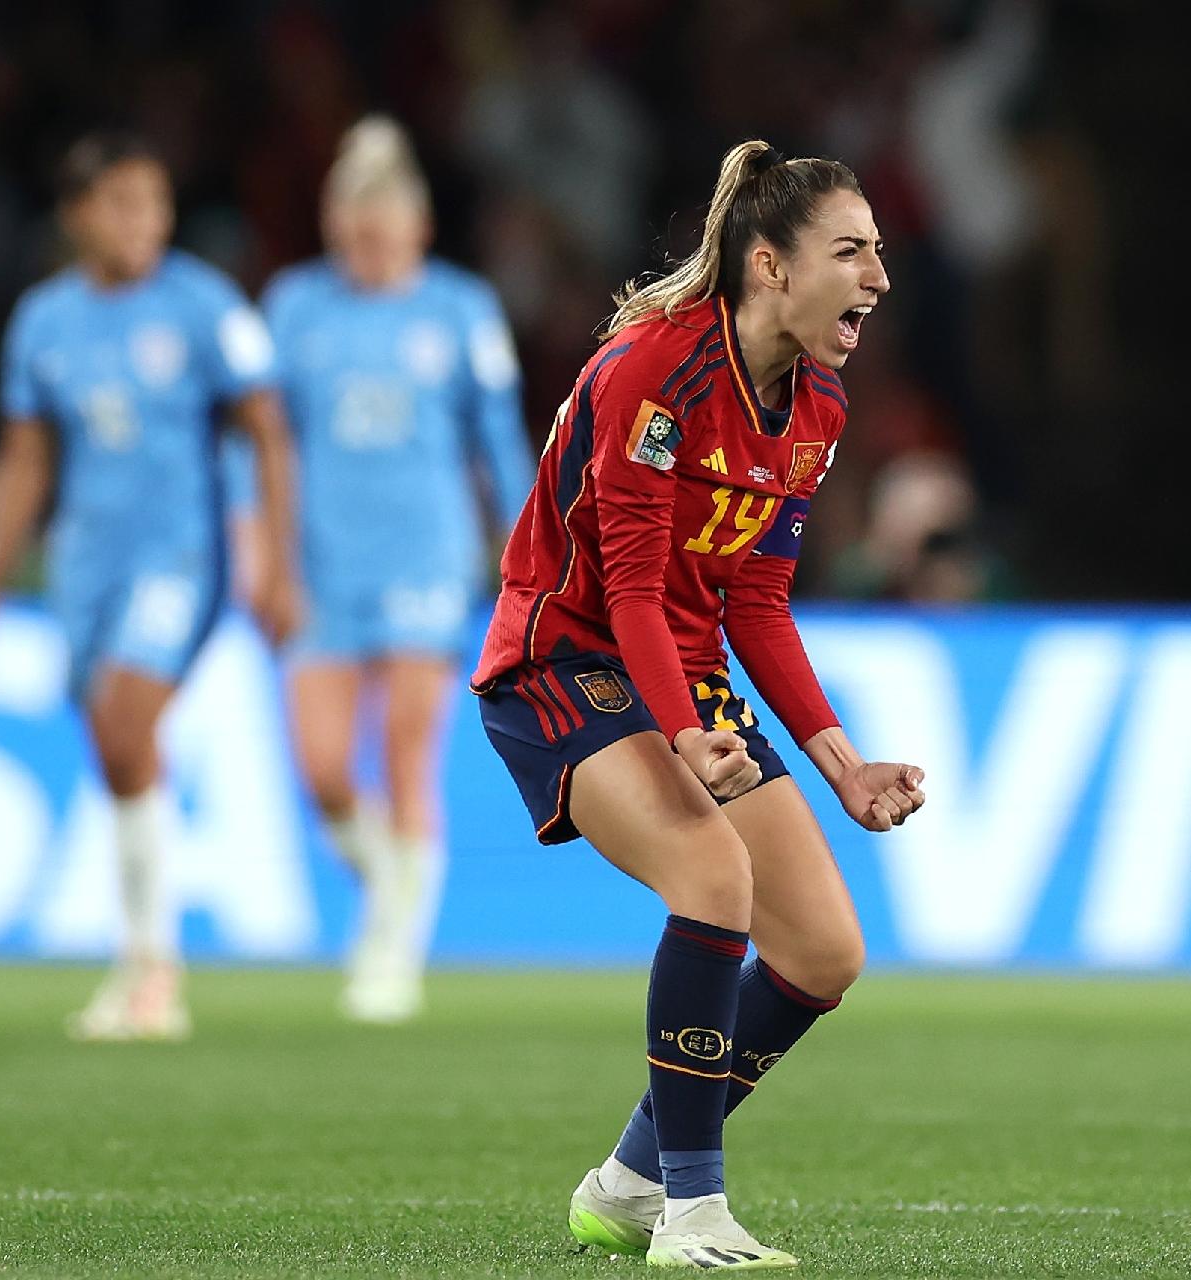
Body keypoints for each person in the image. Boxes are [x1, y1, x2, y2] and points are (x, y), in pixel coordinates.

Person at [473, 139, 925, 1270]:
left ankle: (627, 1179)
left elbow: (759, 602)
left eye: (877, 252)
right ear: (769, 265)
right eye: (852, 252)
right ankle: (692, 1210)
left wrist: (845, 765)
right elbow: (624, 588)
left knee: (823, 951)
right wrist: (683, 736)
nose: (878, 276)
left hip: (681, 670)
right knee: (713, 875)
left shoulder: (816, 403)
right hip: (564, 656)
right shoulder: (650, 373)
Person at [0, 133, 300, 1041]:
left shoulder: (202, 307)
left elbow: (268, 431)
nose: (141, 221)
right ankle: (146, 959)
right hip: (84, 565)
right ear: (76, 215)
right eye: (120, 203)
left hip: (180, 556)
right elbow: (26, 461)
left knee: (124, 723)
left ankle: (152, 970)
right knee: (118, 753)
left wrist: (277, 562)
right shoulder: (43, 321)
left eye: (153, 202)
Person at [259, 117, 533, 1022]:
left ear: (417, 228)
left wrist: (532, 544)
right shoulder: (295, 307)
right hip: (322, 559)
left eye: (387, 231)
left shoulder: (460, 311)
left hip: (424, 550)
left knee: (409, 748)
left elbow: (495, 437)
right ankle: (389, 883)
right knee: (323, 769)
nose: (371, 248)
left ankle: (394, 955)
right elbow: (259, 443)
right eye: (356, 230)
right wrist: (260, 544)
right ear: (336, 226)